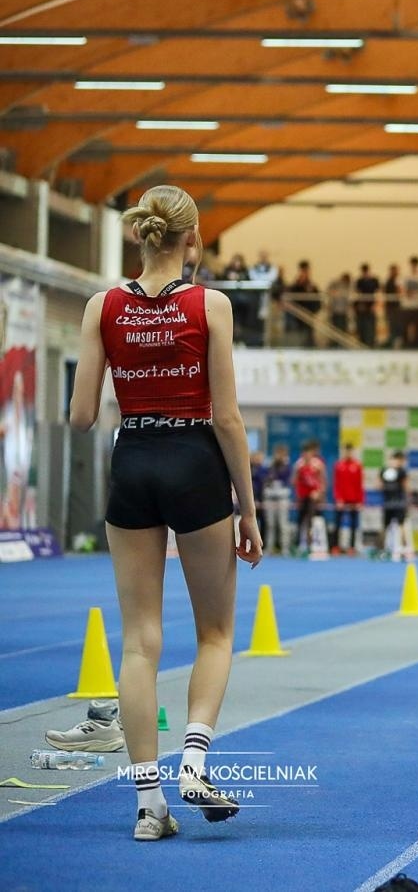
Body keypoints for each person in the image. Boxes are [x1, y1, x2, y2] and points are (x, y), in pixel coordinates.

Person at [67, 184, 262, 841]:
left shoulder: (103, 305)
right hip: (193, 458)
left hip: (133, 461)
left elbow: (82, 416)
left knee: (139, 640)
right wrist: (250, 510)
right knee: (214, 632)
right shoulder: (211, 304)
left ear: (141, 236)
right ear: (194, 241)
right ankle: (196, 762)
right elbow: (228, 418)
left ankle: (149, 806)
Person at [291, 439, 327, 554]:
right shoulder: (299, 465)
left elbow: (323, 482)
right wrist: (297, 495)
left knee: (312, 521)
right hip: (302, 497)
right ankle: (298, 546)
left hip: (313, 498)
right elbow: (294, 481)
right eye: (304, 453)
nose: (306, 455)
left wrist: (319, 493)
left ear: (312, 453)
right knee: (300, 521)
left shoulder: (318, 465)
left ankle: (312, 545)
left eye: (309, 453)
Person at [332, 443, 364, 555]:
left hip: (354, 499)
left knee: (354, 524)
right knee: (337, 523)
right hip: (341, 500)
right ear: (344, 451)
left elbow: (359, 484)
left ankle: (352, 547)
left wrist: (360, 500)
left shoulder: (357, 465)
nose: (348, 453)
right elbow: (337, 484)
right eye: (346, 451)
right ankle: (335, 546)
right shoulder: (339, 465)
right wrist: (338, 498)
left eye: (350, 451)